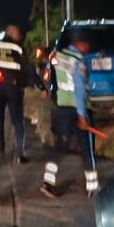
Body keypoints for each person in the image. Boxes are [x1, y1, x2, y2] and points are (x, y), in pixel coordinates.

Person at [42, 31, 97, 198]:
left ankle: (48, 181)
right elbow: (79, 90)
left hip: (62, 106)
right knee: (87, 147)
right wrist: (82, 115)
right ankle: (93, 187)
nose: (88, 48)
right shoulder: (79, 61)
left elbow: (48, 77)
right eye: (87, 44)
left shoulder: (57, 56)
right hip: (78, 108)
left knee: (61, 144)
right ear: (81, 43)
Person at [0, 23, 30, 164]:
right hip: (13, 87)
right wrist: (24, 84)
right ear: (11, 34)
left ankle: (0, 149)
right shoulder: (18, 47)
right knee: (17, 121)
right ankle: (19, 154)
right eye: (18, 33)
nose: (20, 36)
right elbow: (26, 69)